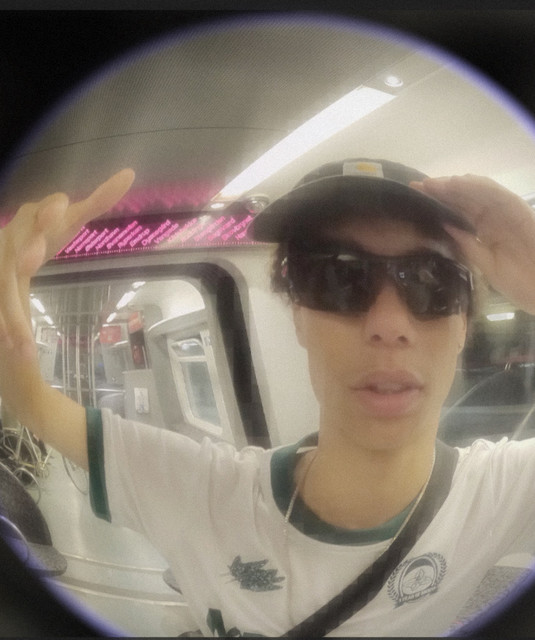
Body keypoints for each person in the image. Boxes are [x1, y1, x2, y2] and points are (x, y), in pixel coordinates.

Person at [1, 158, 535, 637]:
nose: (388, 324)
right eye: (338, 278)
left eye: (432, 282)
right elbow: (26, 396)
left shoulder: (500, 493)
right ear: (298, 315)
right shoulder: (203, 494)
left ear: (464, 324)